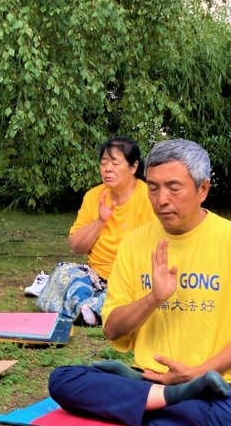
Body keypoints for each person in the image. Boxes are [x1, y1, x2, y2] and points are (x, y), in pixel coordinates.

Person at [47, 139, 231, 426]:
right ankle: (169, 399)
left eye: (174, 187)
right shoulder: (135, 244)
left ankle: (139, 406)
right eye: (154, 188)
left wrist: (196, 373)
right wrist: (152, 299)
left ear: (203, 189)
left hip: (218, 381)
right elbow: (112, 329)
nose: (162, 199)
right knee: (63, 381)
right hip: (147, 377)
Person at [34, 137, 155, 325]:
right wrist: (100, 221)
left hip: (130, 276)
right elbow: (76, 246)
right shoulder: (94, 196)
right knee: (62, 273)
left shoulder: (149, 199)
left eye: (115, 163)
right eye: (104, 163)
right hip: (95, 275)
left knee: (138, 290)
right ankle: (94, 309)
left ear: (133, 167)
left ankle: (90, 308)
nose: (107, 169)